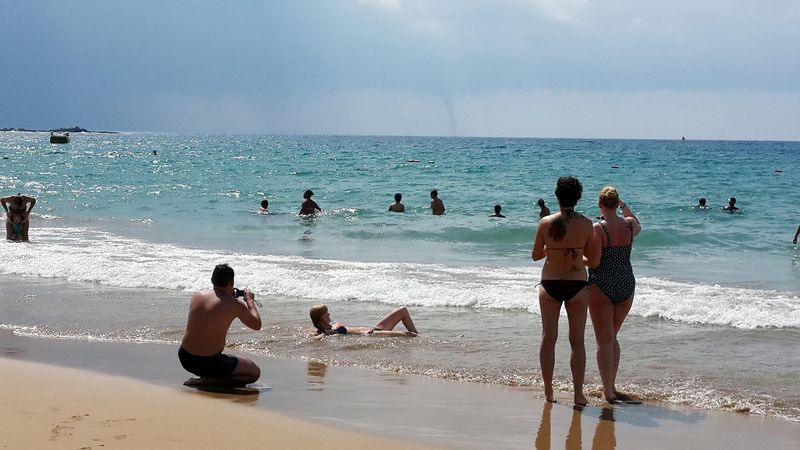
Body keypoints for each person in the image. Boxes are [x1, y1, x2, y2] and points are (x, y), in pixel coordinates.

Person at [532, 176, 596, 405]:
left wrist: (553, 251)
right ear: (577, 198)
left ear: (557, 196)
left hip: (550, 283)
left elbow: (536, 255)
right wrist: (576, 255)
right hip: (577, 285)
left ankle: (549, 392)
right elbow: (594, 259)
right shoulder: (587, 224)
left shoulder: (545, 223)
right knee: (577, 340)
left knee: (548, 338)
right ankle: (578, 394)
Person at [587, 187, 641, 403]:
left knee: (603, 340)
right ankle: (612, 386)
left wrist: (576, 260)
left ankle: (607, 392)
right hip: (626, 283)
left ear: (600, 205)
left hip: (602, 284)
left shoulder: (598, 229)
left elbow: (594, 262)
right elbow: (634, 220)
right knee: (612, 338)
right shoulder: (629, 226)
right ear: (616, 203)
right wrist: (624, 205)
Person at [179, 264, 262, 386]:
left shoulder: (197, 295)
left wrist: (228, 296)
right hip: (210, 363)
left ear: (212, 280)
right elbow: (256, 324)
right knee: (254, 373)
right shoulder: (235, 304)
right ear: (231, 282)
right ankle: (210, 381)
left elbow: (214, 306)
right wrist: (249, 301)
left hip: (185, 358)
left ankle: (206, 378)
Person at [309, 305, 418, 339]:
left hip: (373, 328)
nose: (329, 314)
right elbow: (317, 337)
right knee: (411, 335)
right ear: (322, 317)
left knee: (402, 310)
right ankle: (418, 338)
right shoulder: (328, 332)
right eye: (327, 313)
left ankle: (418, 336)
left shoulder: (332, 326)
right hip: (371, 334)